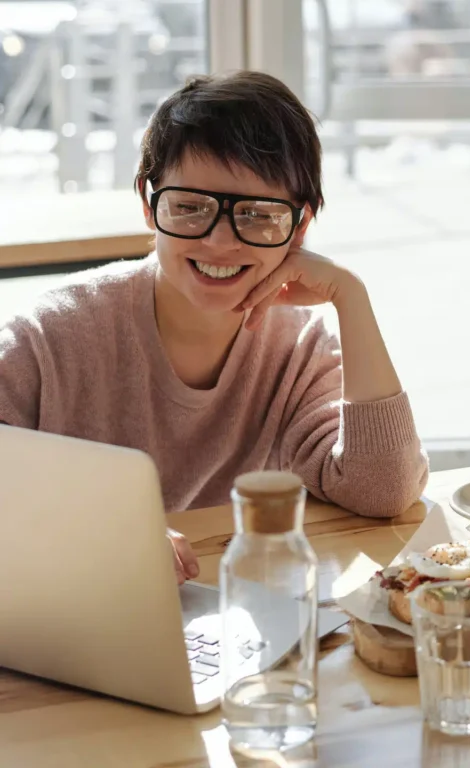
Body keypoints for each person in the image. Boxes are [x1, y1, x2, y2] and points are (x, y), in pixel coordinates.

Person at [0, 72, 429, 583]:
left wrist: (350, 297)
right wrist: (104, 530)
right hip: (69, 612)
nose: (221, 242)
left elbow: (383, 490)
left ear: (300, 225)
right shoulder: (52, 335)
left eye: (258, 215)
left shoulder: (299, 348)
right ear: (148, 203)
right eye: (189, 208)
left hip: (227, 618)